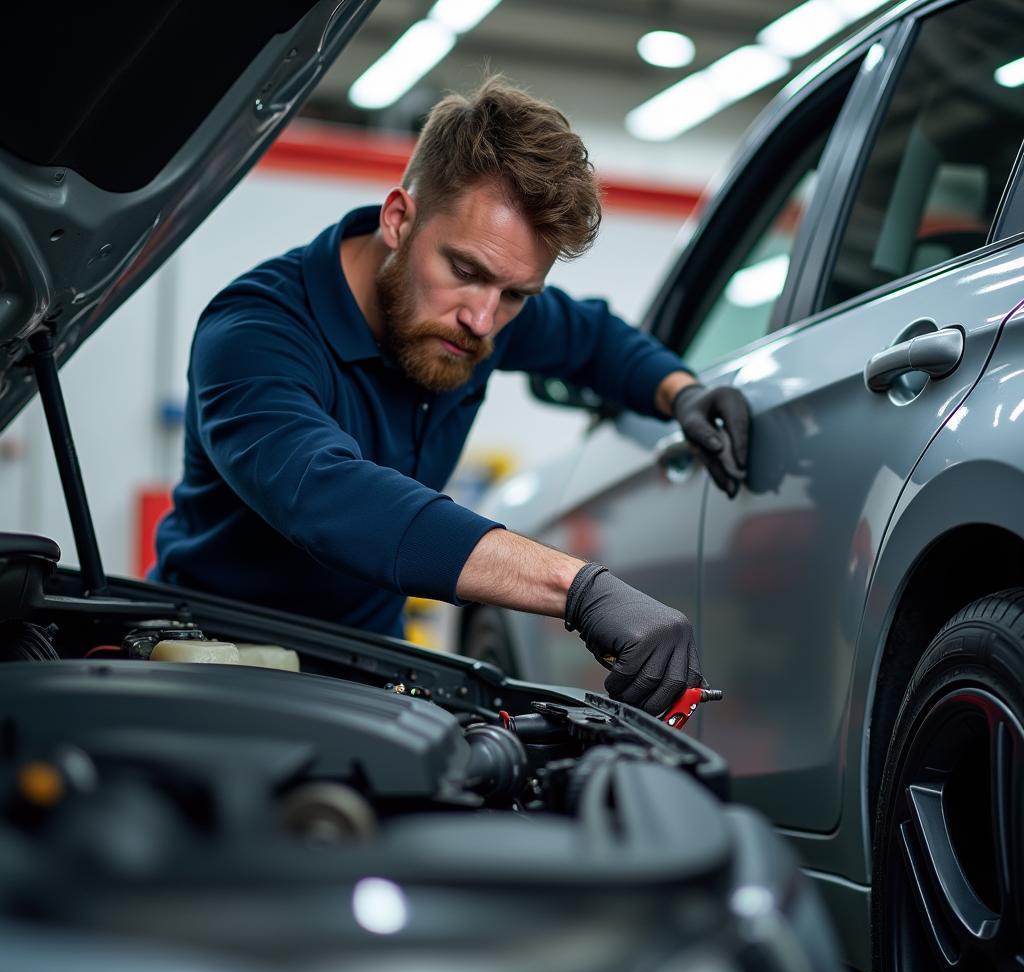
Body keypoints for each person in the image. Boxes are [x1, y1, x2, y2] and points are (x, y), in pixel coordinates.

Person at [152, 77, 750, 717]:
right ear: (399, 219)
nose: (484, 319)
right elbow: (329, 496)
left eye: (516, 293)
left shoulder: (470, 319)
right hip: (212, 661)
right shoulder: (256, 332)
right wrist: (581, 590)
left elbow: (593, 340)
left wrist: (683, 393)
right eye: (466, 271)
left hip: (363, 665)